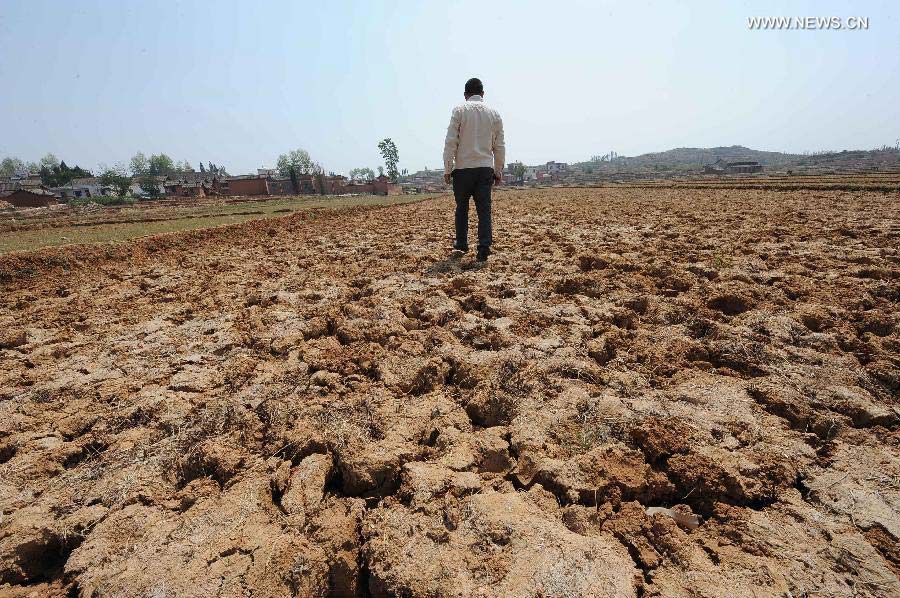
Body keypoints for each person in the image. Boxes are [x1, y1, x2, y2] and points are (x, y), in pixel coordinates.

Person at [443, 77, 505, 262]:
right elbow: (499, 145)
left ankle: (461, 243)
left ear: (465, 95)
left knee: (462, 208)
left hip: (463, 169)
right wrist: (498, 171)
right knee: (484, 210)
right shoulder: (494, 114)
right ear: (483, 94)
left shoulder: (459, 111)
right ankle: (484, 248)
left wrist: (448, 168)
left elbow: (451, 141)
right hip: (485, 169)